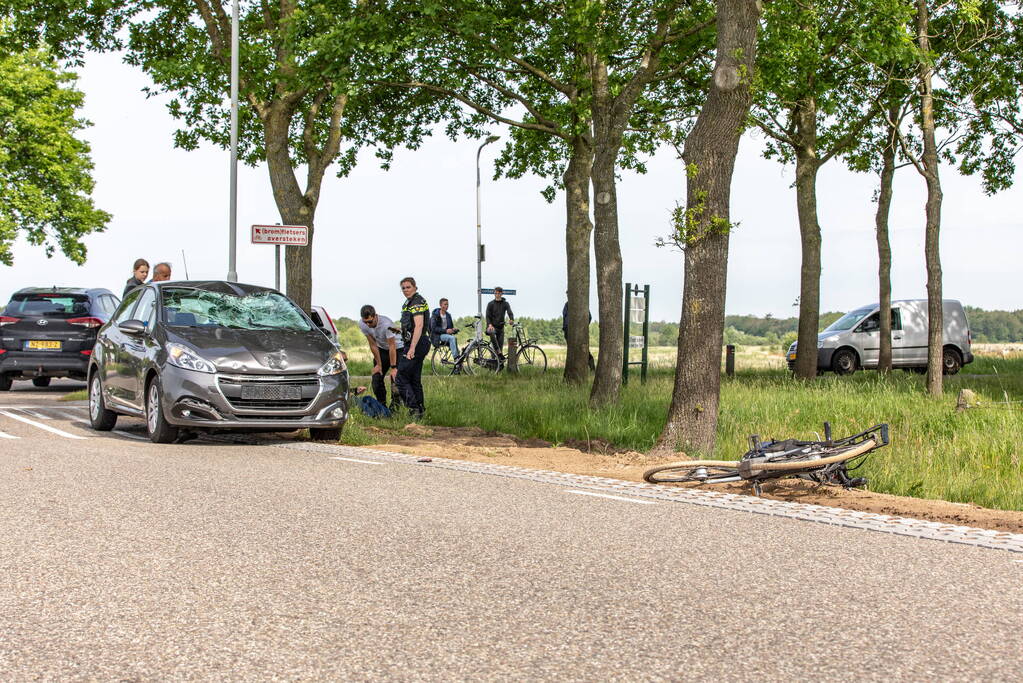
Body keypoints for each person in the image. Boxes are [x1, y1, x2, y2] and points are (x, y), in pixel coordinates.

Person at [396, 276, 431, 419]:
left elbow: (419, 325)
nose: (405, 290)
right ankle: (420, 410)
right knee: (414, 379)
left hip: (417, 343)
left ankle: (414, 409)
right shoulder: (409, 302)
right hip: (418, 342)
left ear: (415, 287)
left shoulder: (416, 301)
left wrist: (412, 348)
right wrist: (401, 330)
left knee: (401, 378)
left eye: (408, 287)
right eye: (403, 288)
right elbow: (412, 325)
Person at [359, 304, 403, 410]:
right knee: (376, 378)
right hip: (382, 349)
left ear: (375, 316)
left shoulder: (386, 324)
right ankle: (382, 406)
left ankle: (395, 407)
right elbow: (373, 344)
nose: (368, 325)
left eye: (370, 321)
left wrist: (393, 368)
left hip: (398, 348)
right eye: (366, 322)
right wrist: (378, 364)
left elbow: (392, 346)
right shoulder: (362, 324)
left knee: (395, 379)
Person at [563, 296, 595, 370]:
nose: (568, 296)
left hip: (579, 332)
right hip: (568, 332)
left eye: (568, 294)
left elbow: (589, 317)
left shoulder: (581, 304)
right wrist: (565, 329)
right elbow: (565, 319)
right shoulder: (567, 305)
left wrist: (582, 328)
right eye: (567, 294)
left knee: (583, 350)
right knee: (572, 351)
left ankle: (592, 367)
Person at [485, 286, 514, 361]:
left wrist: (511, 319)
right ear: (494, 294)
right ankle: (495, 357)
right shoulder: (490, 304)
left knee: (499, 347)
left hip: (501, 328)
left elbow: (510, 312)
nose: (497, 295)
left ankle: (499, 366)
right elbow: (487, 316)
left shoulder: (505, 304)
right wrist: (490, 325)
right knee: (495, 347)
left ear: (502, 294)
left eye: (499, 293)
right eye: (496, 293)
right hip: (492, 327)